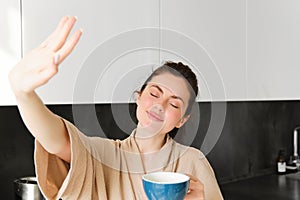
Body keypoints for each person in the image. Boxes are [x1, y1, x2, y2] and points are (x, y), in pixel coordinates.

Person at [9, 16, 223, 200]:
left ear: (182, 120)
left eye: (174, 103)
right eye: (154, 93)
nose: (159, 105)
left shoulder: (193, 162)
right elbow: (56, 139)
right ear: (138, 98)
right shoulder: (103, 155)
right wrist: (23, 93)